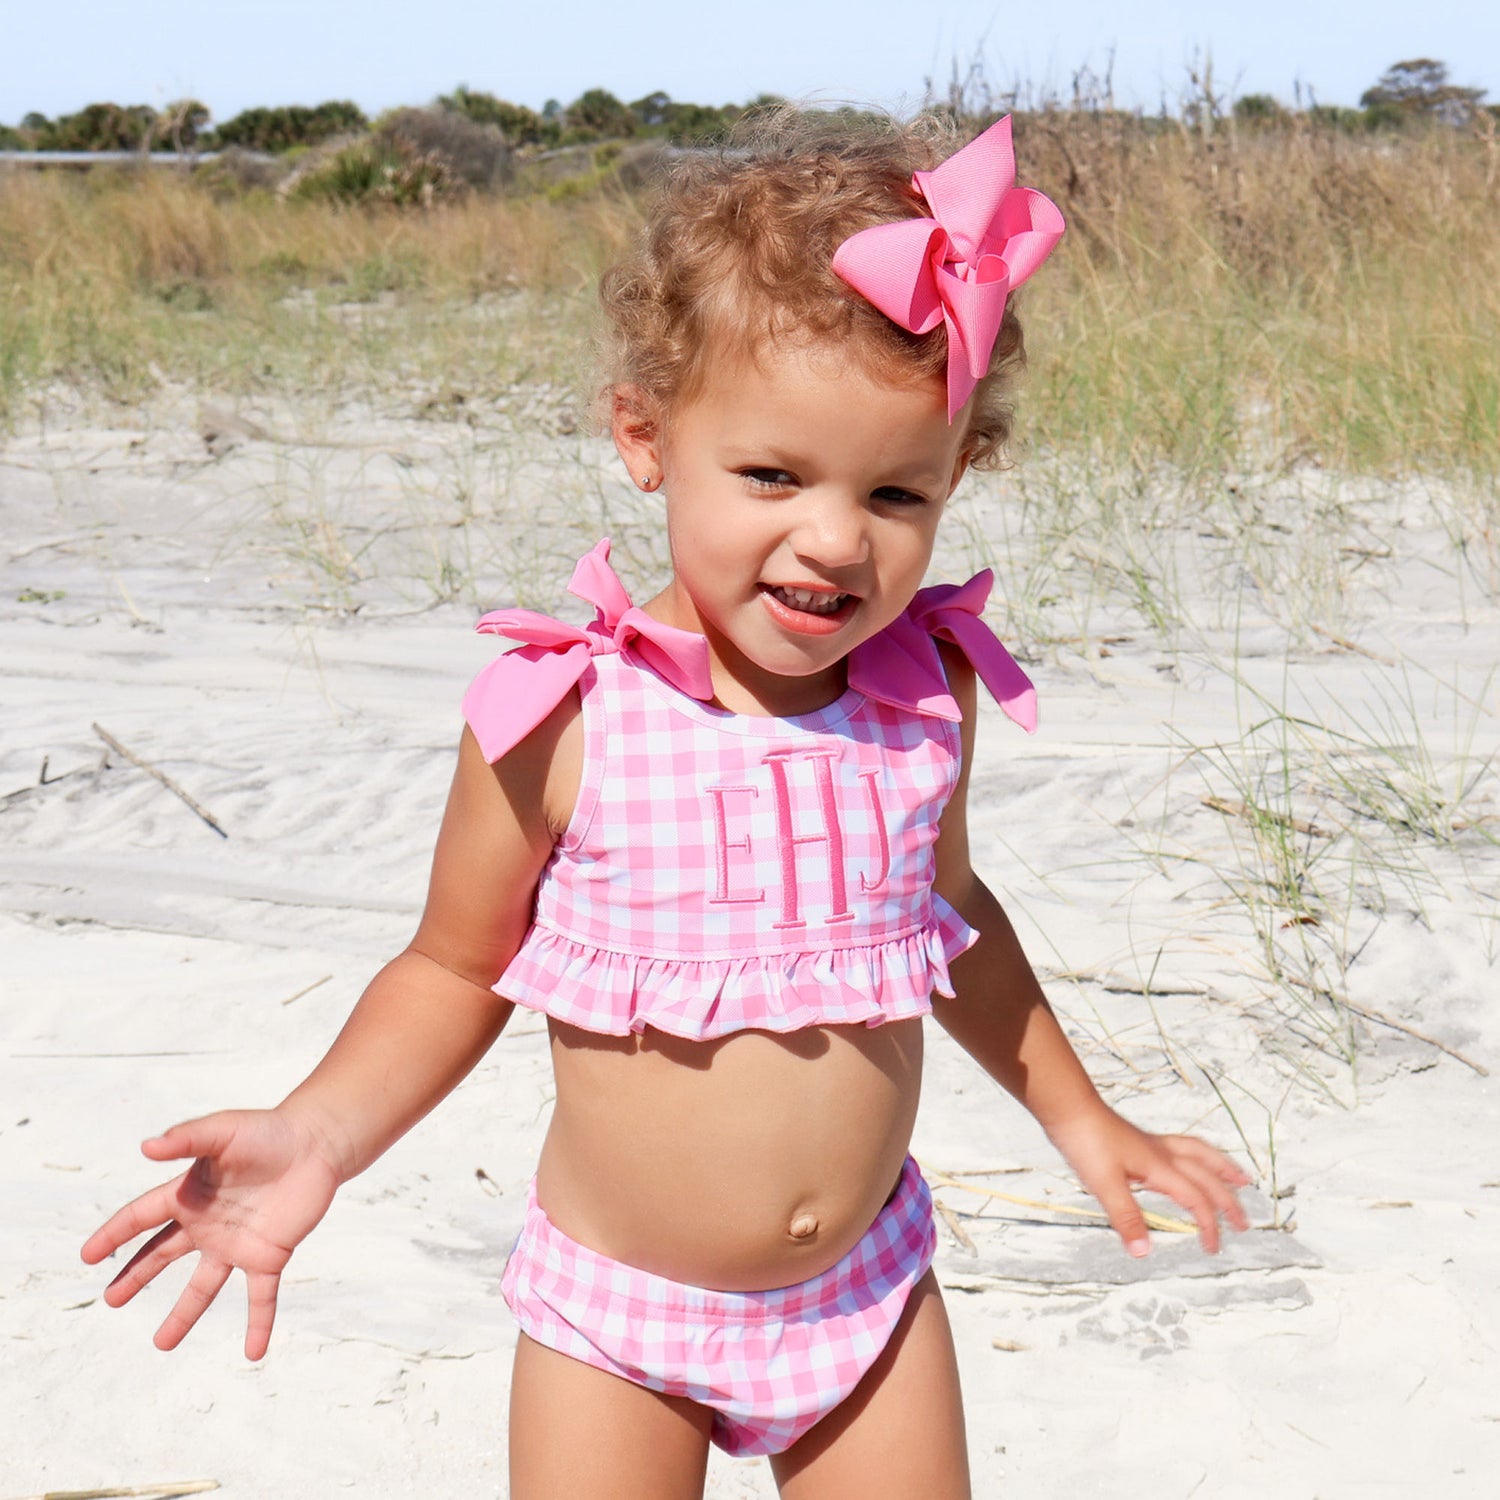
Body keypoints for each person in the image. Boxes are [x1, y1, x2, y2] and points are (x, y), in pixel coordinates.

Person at [82, 111, 1250, 1498]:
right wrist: (317, 1134)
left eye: (895, 491)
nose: (835, 538)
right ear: (645, 436)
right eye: (771, 476)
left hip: (867, 1296)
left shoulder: (927, 691)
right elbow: (453, 967)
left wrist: (1081, 1115)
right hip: (617, 1325)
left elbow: (956, 919)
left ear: (958, 474)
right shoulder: (566, 715)